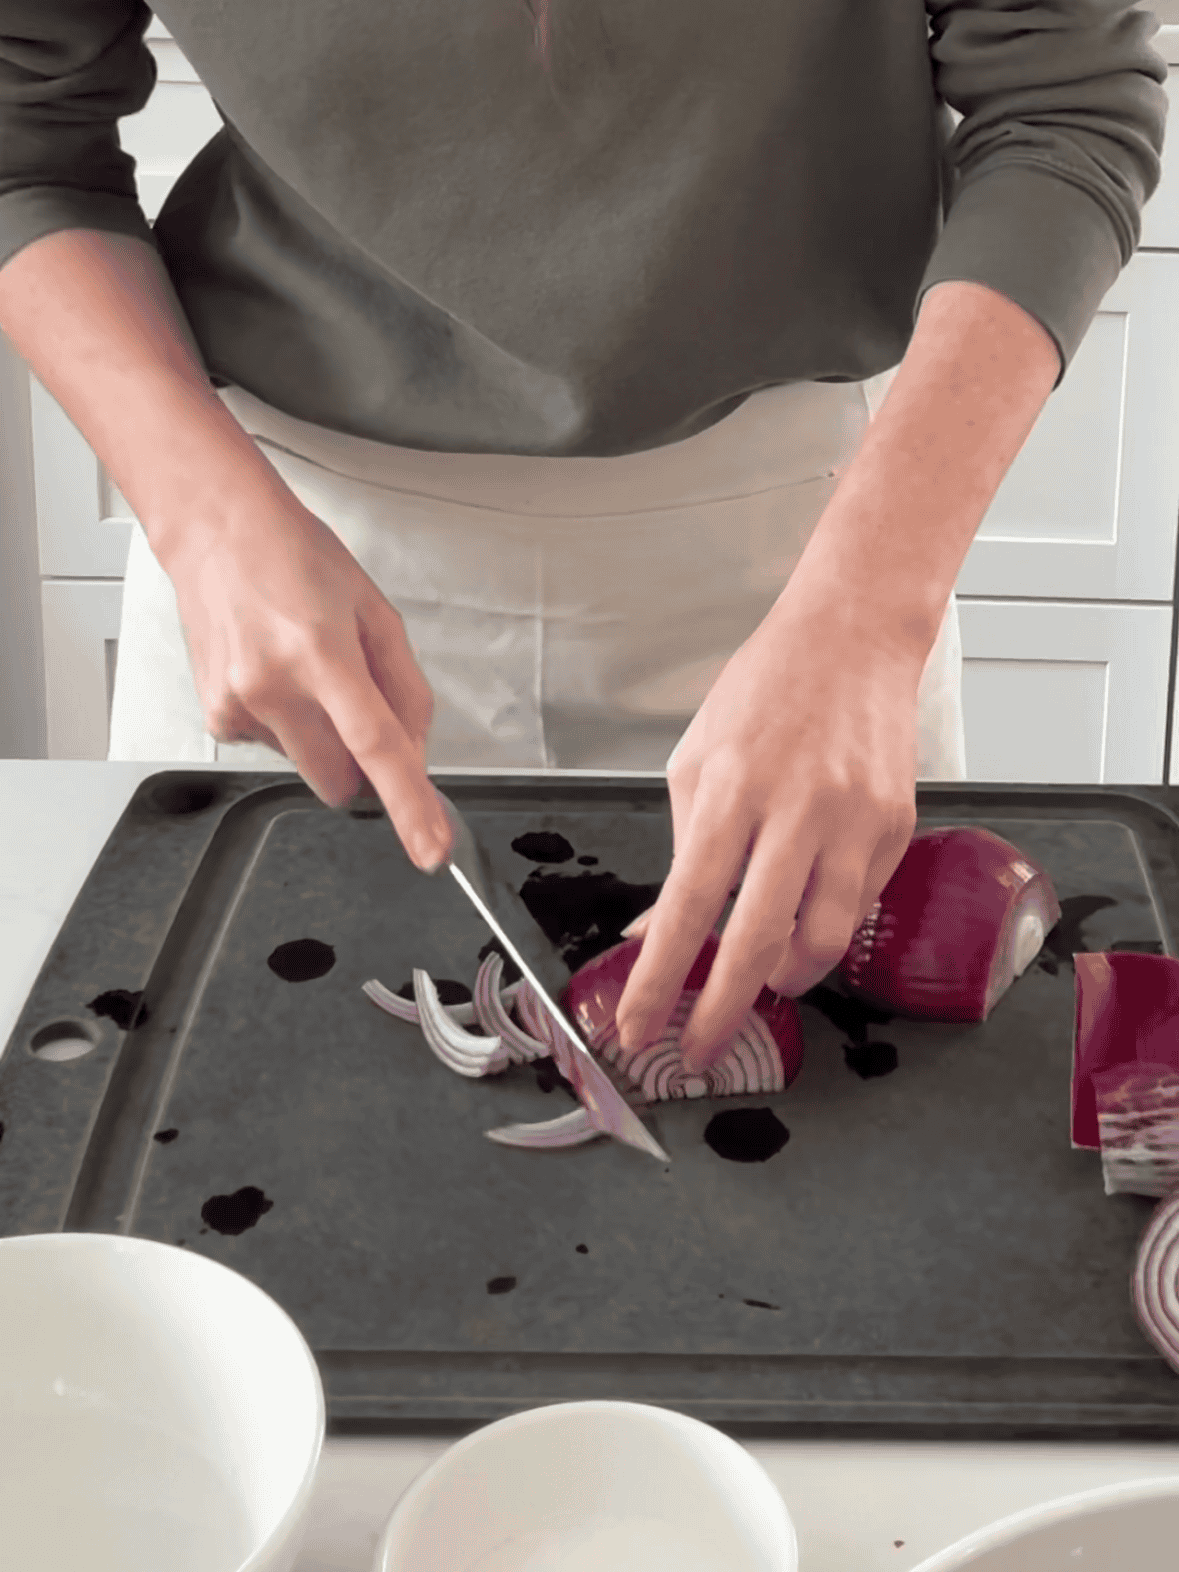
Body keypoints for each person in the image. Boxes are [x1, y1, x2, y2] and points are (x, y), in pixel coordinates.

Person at [0, 3, 1166, 1075]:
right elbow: (22, 142)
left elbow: (1061, 106)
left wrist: (869, 612)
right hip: (277, 550)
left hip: (800, 564)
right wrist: (203, 517)